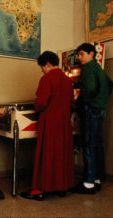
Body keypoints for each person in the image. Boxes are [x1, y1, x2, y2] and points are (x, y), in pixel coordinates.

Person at [20, 51, 75, 201]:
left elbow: (41, 102)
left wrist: (36, 106)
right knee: (61, 155)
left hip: (50, 121)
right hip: (64, 122)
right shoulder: (66, 79)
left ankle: (40, 190)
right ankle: (62, 187)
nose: (42, 70)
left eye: (42, 67)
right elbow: (71, 102)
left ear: (48, 64)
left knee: (46, 154)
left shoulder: (47, 78)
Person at [74, 43, 113, 194]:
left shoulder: (89, 67)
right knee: (96, 143)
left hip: (90, 109)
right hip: (100, 108)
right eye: (78, 55)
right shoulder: (98, 68)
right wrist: (101, 99)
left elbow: (89, 89)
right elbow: (111, 84)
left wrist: (81, 101)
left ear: (92, 54)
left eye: (82, 54)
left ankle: (88, 183)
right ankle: (97, 178)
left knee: (89, 144)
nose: (79, 58)